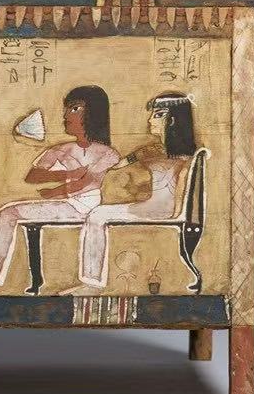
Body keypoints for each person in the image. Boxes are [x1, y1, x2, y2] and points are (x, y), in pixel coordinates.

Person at [0, 86, 120, 296]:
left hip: (88, 207)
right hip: (66, 206)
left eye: (75, 109)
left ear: (94, 113)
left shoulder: (108, 154)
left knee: (11, 212)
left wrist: (57, 191)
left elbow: (85, 183)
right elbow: (33, 176)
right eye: (67, 109)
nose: (66, 115)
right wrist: (66, 175)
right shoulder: (60, 149)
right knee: (7, 213)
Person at [72, 92, 198, 293]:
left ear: (173, 120)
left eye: (158, 115)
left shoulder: (185, 157)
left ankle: (92, 283)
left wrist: (178, 212)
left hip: (161, 210)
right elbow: (121, 163)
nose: (150, 120)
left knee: (97, 214)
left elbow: (183, 183)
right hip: (157, 207)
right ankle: (91, 281)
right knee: (98, 213)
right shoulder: (156, 149)